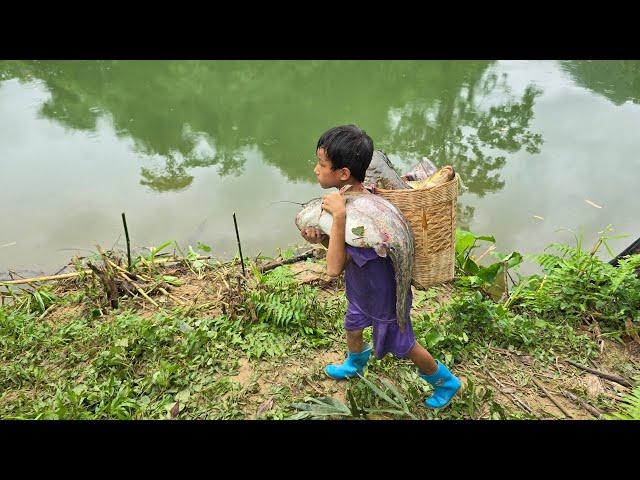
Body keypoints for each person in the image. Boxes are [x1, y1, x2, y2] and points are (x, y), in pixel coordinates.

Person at [299, 124, 461, 409]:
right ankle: (355, 363)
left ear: (343, 174)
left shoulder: (355, 214)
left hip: (385, 299)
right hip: (361, 290)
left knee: (404, 345)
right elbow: (345, 254)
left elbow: (334, 268)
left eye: (321, 164)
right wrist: (321, 237)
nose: (316, 169)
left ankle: (444, 381)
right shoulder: (353, 202)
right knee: (353, 325)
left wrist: (337, 218)